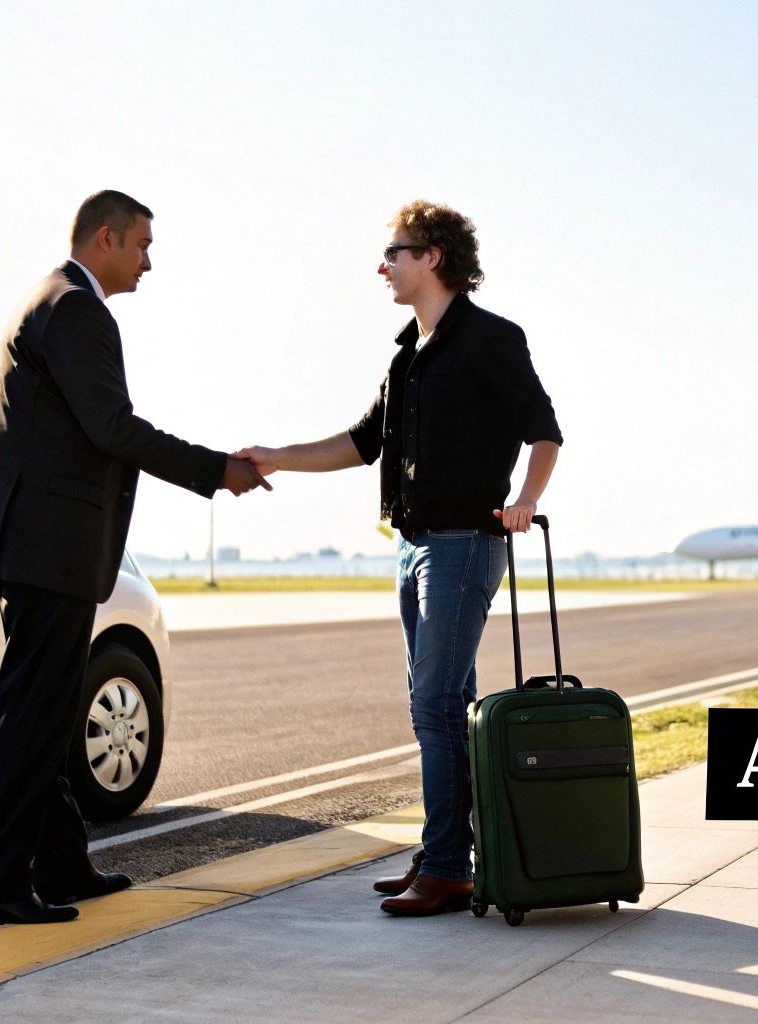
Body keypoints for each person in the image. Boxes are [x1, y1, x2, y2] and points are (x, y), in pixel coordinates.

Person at [0, 190, 269, 925]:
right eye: (142, 246)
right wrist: (215, 468)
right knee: (33, 716)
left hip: (34, 540)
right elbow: (113, 428)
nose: (149, 262)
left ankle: (59, 864)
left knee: (51, 711)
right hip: (46, 544)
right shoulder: (77, 309)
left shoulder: (51, 299)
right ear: (105, 238)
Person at [240, 200, 562, 916]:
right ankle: (448, 851)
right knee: (447, 708)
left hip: (464, 547)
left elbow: (544, 432)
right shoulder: (406, 358)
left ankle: (448, 865)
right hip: (413, 547)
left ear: (433, 258)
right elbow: (361, 443)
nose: (382, 265)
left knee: (436, 703)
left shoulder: (491, 339)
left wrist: (524, 501)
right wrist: (276, 458)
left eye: (395, 252)